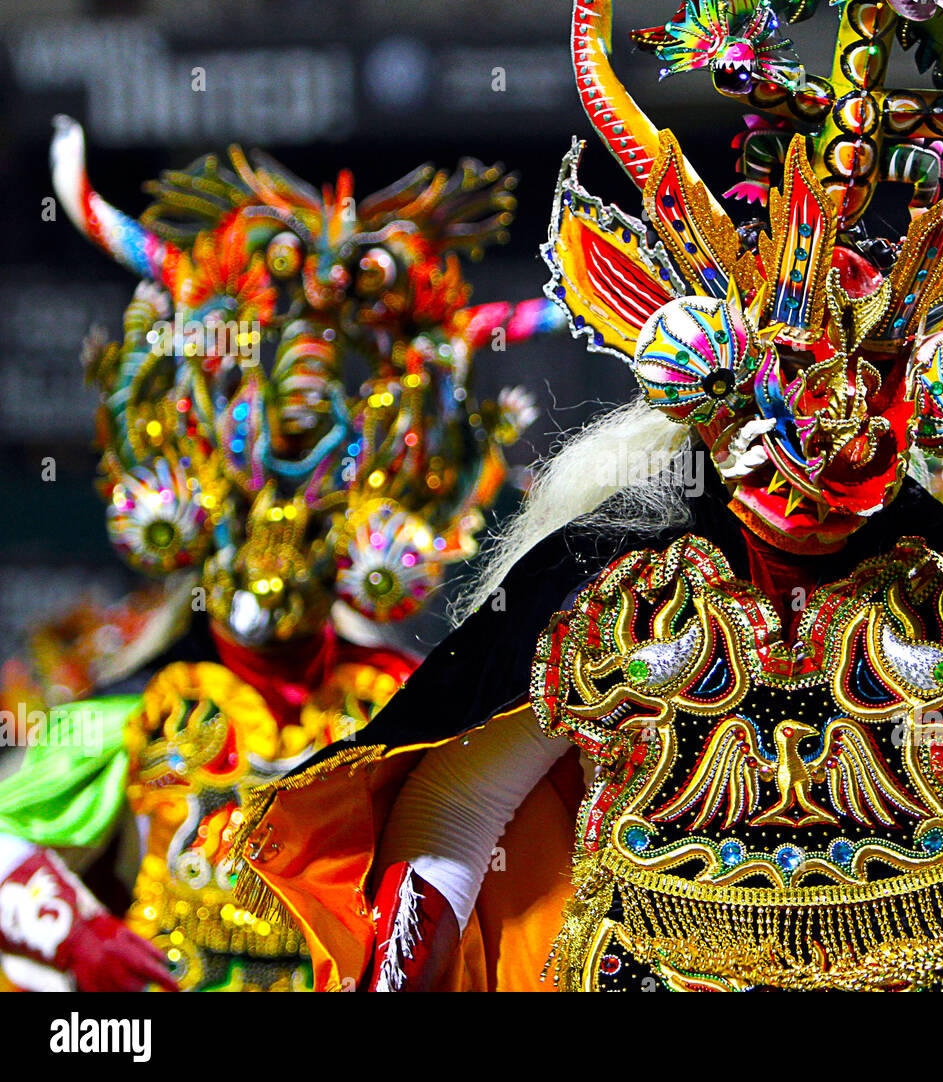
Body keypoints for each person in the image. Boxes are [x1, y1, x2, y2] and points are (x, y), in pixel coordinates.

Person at [234, 0, 943, 992]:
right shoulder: (604, 595)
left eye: (871, 384)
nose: (828, 433)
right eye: (795, 386)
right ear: (717, 380)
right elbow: (458, 809)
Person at [0, 120, 552, 991]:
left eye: (315, 513)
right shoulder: (130, 721)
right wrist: (72, 939)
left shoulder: (401, 720)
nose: (275, 547)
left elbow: (482, 858)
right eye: (247, 510)